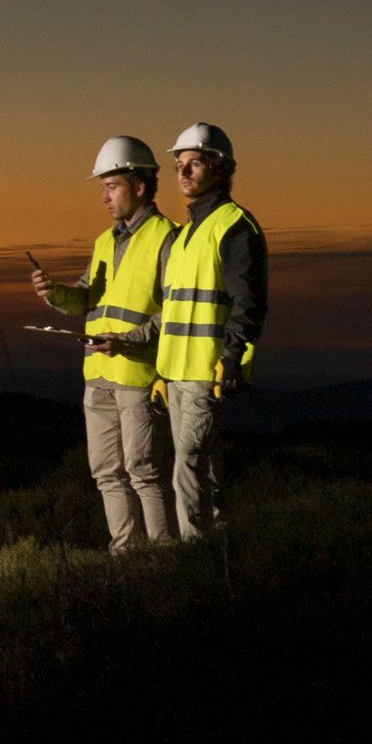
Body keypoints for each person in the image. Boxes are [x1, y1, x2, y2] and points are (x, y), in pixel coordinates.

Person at [30, 137, 177, 550]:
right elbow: (86, 299)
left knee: (143, 470)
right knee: (106, 473)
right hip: (97, 374)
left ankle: (165, 560)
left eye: (111, 187)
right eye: (102, 188)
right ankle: (126, 557)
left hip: (137, 374)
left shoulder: (167, 238)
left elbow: (175, 311)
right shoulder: (104, 241)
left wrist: (129, 341)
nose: (104, 197)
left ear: (140, 186)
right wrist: (54, 292)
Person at [153, 123, 267, 539]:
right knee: (205, 464)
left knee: (188, 463)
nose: (182, 173)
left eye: (193, 164)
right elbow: (173, 311)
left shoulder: (234, 226)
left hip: (207, 371)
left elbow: (248, 303)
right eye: (178, 165)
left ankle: (192, 559)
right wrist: (161, 374)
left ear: (220, 169)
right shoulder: (183, 235)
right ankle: (217, 556)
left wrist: (231, 358)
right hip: (176, 374)